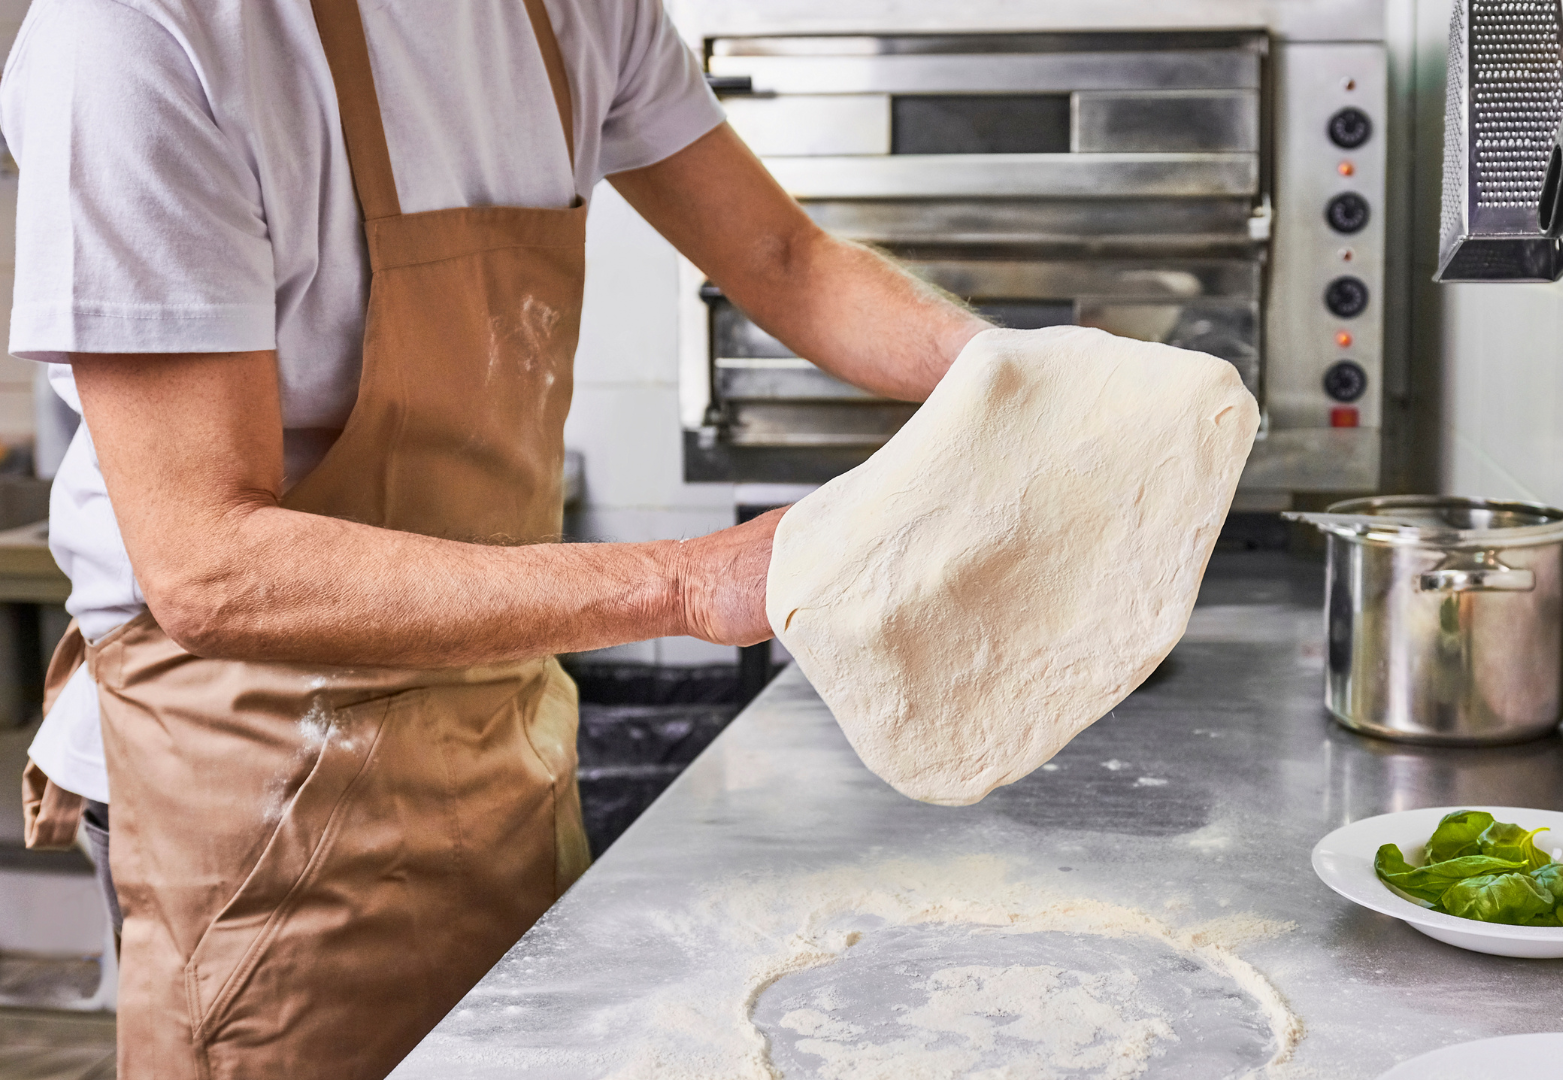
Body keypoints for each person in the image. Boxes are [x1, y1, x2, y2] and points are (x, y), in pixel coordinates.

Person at [1, 0, 989, 1076]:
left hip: (500, 735)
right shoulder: (143, 33)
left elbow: (789, 260)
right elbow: (208, 564)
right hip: (259, 784)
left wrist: (1019, 377)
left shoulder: (578, 12)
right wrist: (687, 584)